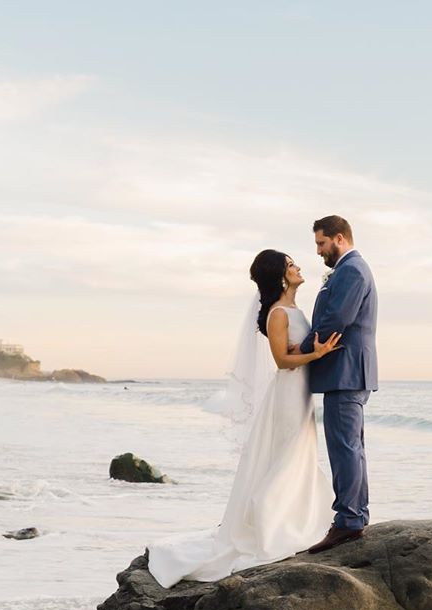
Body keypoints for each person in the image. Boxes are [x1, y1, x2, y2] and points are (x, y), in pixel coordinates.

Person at [147, 250, 342, 589]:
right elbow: (282, 361)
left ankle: (296, 517)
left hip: (300, 393)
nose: (298, 267)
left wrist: (309, 352)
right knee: (288, 455)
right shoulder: (278, 313)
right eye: (291, 265)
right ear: (281, 276)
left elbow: (292, 351)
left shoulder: (292, 310)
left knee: (297, 455)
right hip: (288, 394)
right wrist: (319, 353)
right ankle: (275, 523)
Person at [298, 215, 378, 553]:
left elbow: (336, 320)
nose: (318, 251)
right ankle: (354, 516)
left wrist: (299, 350)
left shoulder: (352, 271)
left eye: (321, 243)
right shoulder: (349, 269)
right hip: (347, 371)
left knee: (345, 448)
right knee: (351, 448)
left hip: (346, 371)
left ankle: (348, 521)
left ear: (340, 239)